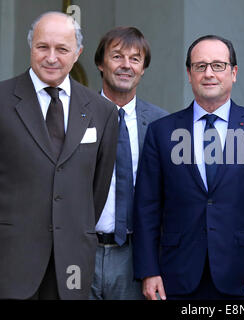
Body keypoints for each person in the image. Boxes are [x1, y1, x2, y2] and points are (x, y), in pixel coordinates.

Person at [132, 35, 244, 300]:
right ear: (189, 74)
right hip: (175, 277)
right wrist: (148, 270)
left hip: (243, 275)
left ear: (234, 72)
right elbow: (147, 207)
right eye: (200, 66)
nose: (209, 73)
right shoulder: (162, 132)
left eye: (218, 65)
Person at [0, 12, 118, 300]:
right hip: (11, 262)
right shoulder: (2, 101)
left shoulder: (102, 112)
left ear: (77, 53)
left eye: (62, 49)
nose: (51, 57)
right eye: (43, 47)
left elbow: (96, 190)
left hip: (73, 264)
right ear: (31, 48)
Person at [90, 26, 168, 300]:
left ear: (143, 67)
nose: (126, 65)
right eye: (117, 56)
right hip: (82, 251)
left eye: (135, 58)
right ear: (100, 63)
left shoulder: (162, 124)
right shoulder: (76, 116)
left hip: (136, 257)